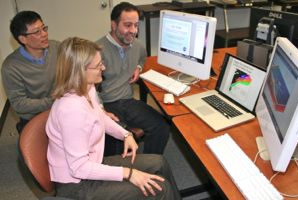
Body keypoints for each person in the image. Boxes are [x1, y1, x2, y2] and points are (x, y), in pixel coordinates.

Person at [46, 37, 181, 200]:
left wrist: (126, 134)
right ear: (80, 71)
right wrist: (128, 173)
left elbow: (100, 117)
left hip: (93, 164)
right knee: (160, 189)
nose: (103, 67)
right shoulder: (72, 111)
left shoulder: (87, 88)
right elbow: (78, 168)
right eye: (98, 65)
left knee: (160, 163)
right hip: (77, 184)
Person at [95, 2, 170, 155]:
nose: (133, 31)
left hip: (128, 100)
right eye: (127, 25)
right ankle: (120, 174)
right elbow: (87, 88)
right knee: (116, 139)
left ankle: (149, 163)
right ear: (114, 25)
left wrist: (138, 68)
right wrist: (100, 110)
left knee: (161, 126)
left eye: (136, 25)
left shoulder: (137, 46)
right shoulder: (97, 50)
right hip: (106, 103)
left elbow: (143, 58)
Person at [1, 11, 60, 133]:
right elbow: (20, 103)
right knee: (31, 151)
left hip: (60, 109)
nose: (44, 34)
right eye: (37, 32)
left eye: (44, 28)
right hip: (34, 115)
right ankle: (22, 127)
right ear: (23, 39)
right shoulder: (11, 66)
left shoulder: (56, 47)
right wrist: (54, 101)